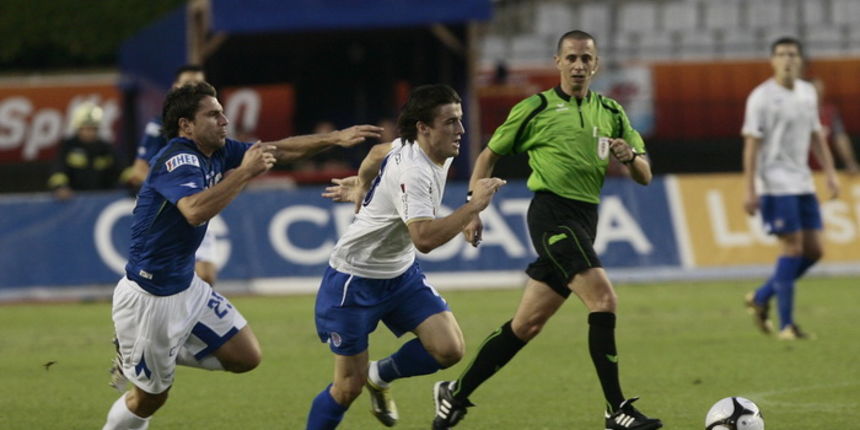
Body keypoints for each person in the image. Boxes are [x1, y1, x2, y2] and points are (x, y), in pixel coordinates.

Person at [102, 81, 381, 430]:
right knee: (150, 398)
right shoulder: (177, 159)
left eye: (222, 113)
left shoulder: (217, 151)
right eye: (213, 115)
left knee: (246, 356)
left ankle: (150, 353)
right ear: (186, 125)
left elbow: (278, 150)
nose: (224, 120)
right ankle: (137, 356)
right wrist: (246, 172)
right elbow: (194, 211)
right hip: (149, 298)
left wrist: (334, 138)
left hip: (186, 286)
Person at [431, 30, 662, 430]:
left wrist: (630, 158)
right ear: (558, 62)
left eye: (586, 58)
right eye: (571, 58)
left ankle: (456, 393)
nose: (578, 65)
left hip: (586, 219)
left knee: (527, 325)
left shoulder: (611, 112)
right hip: (551, 215)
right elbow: (488, 156)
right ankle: (616, 409)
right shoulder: (535, 108)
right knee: (603, 299)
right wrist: (472, 210)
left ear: (596, 65)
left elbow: (645, 175)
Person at [306, 84, 506, 429]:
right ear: (423, 128)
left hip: (399, 274)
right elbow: (424, 239)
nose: (461, 130)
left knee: (449, 349)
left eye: (459, 119)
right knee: (347, 387)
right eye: (451, 122)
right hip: (354, 281)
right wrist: (473, 207)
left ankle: (379, 375)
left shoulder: (423, 146)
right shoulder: (414, 172)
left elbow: (376, 153)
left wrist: (361, 185)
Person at [741, 37, 839, 340]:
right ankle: (787, 326)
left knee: (815, 251)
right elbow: (751, 144)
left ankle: (761, 296)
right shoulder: (761, 97)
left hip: (802, 181)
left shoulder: (807, 92)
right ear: (772, 61)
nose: (787, 59)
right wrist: (750, 189)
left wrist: (830, 173)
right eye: (781, 54)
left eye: (792, 54)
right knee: (792, 248)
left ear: (800, 61)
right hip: (774, 183)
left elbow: (816, 135)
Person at [127, 65, 223, 284]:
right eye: (188, 83)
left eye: (199, 84)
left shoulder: (213, 124)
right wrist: (174, 190)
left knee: (207, 276)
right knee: (171, 277)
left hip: (199, 202)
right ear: (175, 87)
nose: (194, 89)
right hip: (173, 209)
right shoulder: (160, 126)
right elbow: (139, 170)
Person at [48, 102, 125, 199]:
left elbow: (122, 168)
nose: (90, 132)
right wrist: (60, 187)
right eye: (87, 129)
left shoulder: (106, 148)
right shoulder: (68, 146)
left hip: (103, 199)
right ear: (78, 128)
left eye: (94, 129)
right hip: (74, 200)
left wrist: (133, 180)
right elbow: (58, 170)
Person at [809, 77, 859, 175]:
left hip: (825, 170)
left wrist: (850, 162)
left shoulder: (830, 112)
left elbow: (840, 138)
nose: (818, 96)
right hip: (800, 169)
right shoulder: (796, 113)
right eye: (815, 92)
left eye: (820, 92)